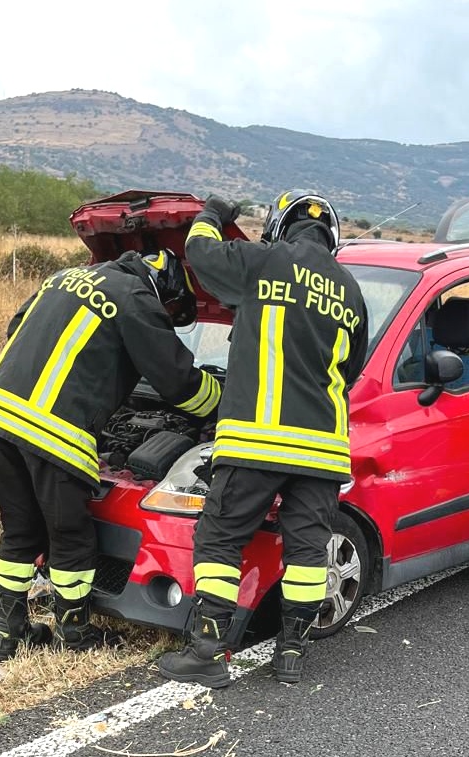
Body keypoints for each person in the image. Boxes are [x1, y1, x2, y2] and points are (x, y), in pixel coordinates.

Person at [157, 190, 368, 687]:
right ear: (332, 237)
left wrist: (212, 214)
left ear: (280, 225)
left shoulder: (265, 261)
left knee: (220, 536)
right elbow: (351, 368)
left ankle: (208, 648)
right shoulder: (351, 291)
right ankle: (290, 653)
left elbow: (201, 255)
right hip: (323, 448)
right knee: (308, 550)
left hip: (258, 439)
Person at [0, 249, 222, 661]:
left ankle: (8, 632)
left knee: (19, 531)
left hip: (0, 415)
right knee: (71, 536)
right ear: (165, 285)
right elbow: (178, 383)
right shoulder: (137, 296)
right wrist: (223, 404)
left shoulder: (64, 276)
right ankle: (75, 633)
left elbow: (16, 327)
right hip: (54, 431)